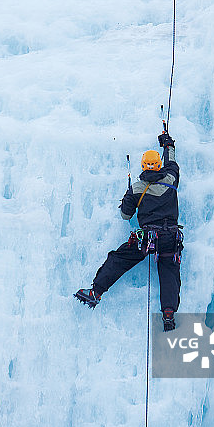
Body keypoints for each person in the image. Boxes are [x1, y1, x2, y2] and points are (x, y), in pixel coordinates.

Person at [75, 131, 182, 331]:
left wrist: (127, 199)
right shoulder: (170, 179)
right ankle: (168, 314)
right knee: (169, 270)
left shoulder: (136, 188)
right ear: (159, 165)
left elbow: (126, 216)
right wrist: (168, 144)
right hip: (170, 236)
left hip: (147, 237)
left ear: (142, 166)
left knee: (119, 259)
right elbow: (172, 162)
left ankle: (96, 292)